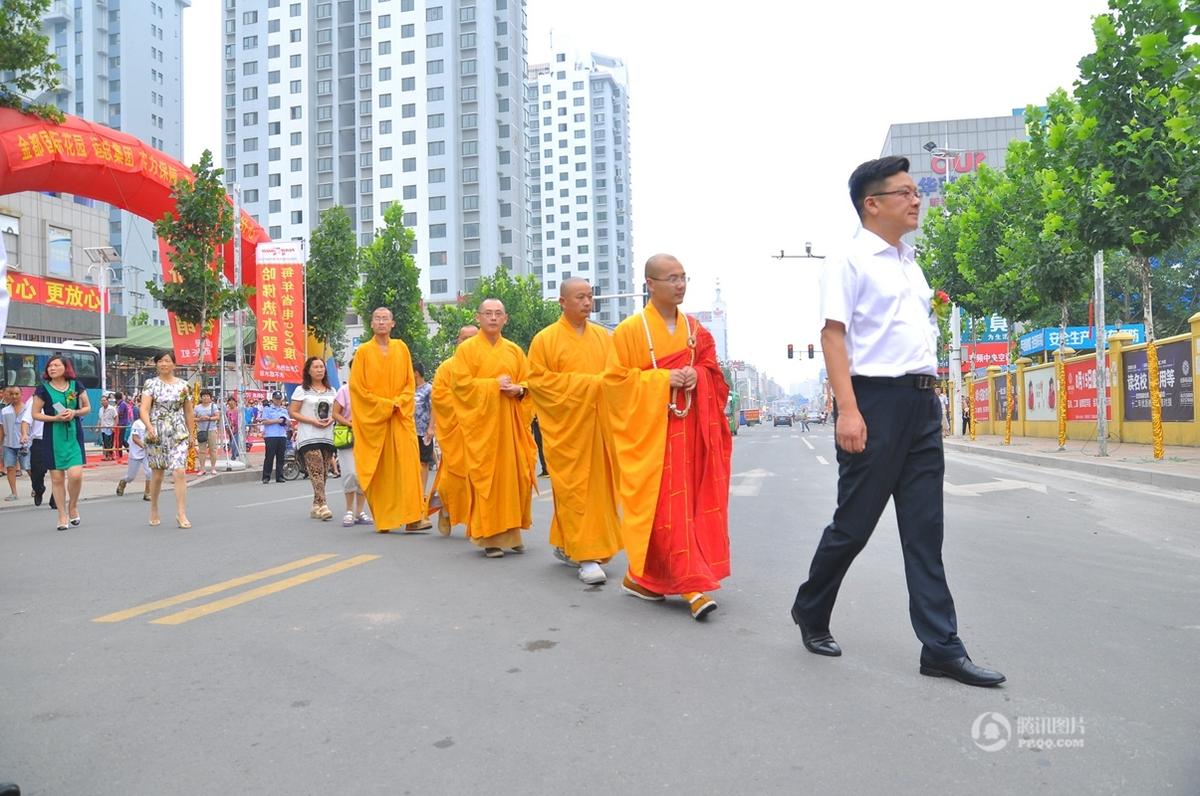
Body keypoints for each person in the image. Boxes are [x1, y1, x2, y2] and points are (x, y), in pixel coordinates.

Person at [789, 156, 1005, 687]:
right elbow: (833, 336)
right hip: (876, 404)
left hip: (921, 404)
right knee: (854, 527)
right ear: (873, 203)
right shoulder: (849, 261)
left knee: (925, 530)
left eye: (916, 191)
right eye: (905, 192)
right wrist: (848, 410)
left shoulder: (910, 261)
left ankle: (941, 648)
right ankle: (811, 609)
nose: (916, 200)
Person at [602, 254, 733, 620]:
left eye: (683, 277)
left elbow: (712, 372)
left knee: (687, 506)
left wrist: (697, 375)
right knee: (664, 506)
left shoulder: (695, 330)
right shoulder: (630, 331)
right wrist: (662, 380)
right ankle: (691, 585)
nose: (680, 285)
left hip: (691, 432)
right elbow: (614, 383)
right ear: (650, 284)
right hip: (653, 437)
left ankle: (641, 578)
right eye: (671, 278)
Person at [528, 278, 622, 585]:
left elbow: (617, 377)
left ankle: (571, 543)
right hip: (567, 432)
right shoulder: (545, 340)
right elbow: (539, 384)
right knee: (575, 491)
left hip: (600, 428)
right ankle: (586, 556)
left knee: (598, 494)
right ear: (562, 302)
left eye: (590, 296)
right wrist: (589, 384)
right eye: (580, 297)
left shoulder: (604, 338)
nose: (587, 302)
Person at [449, 299, 538, 557]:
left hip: (511, 428)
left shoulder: (513, 350)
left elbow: (529, 382)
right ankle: (490, 539)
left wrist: (519, 390)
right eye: (487, 313)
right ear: (478, 318)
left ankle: (512, 532)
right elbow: (461, 387)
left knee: (516, 477)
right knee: (488, 479)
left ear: (505, 319)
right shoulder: (466, 351)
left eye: (498, 313)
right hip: (484, 430)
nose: (493, 318)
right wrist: (493, 385)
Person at [349, 307, 425, 533]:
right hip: (377, 421)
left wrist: (398, 402)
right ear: (371, 324)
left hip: (400, 418)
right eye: (377, 319)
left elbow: (409, 383)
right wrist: (384, 405)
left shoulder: (402, 348)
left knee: (409, 468)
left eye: (385, 319)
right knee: (381, 471)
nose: (381, 322)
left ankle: (414, 518)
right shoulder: (363, 352)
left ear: (393, 324)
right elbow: (357, 389)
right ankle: (385, 519)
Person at [428, 325, 478, 535]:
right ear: (457, 341)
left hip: (481, 429)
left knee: (479, 477)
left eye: (472, 338)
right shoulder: (447, 367)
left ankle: (479, 521)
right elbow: (438, 397)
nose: (467, 342)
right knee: (453, 477)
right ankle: (446, 507)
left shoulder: (483, 364)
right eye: (463, 338)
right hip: (454, 429)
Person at [31, 354, 90, 530]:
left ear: (66, 368)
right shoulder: (42, 389)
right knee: (57, 478)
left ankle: (73, 506)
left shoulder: (76, 385)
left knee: (76, 475)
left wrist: (75, 413)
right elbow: (35, 413)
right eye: (50, 366)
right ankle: (62, 514)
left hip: (73, 436)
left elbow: (87, 408)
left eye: (56, 365)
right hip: (52, 437)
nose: (52, 368)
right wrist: (55, 417)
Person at [140, 351, 196, 528]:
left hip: (178, 431)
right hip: (157, 431)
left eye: (167, 361)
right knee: (157, 474)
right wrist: (149, 427)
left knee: (179, 471)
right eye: (160, 361)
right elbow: (144, 409)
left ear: (174, 364)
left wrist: (192, 434)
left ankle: (181, 513)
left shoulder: (184, 386)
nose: (163, 364)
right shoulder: (151, 384)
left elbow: (188, 411)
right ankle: (154, 507)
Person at [290, 357, 338, 521]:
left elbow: (338, 411)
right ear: (308, 370)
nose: (319, 370)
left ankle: (315, 505)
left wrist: (332, 419)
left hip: (327, 435)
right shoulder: (301, 390)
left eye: (322, 367)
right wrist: (312, 421)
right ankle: (323, 504)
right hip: (309, 435)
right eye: (316, 367)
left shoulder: (332, 390)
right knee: (316, 469)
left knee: (324, 472)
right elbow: (293, 412)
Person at [332, 360, 372, 528]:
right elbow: (335, 413)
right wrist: (350, 424)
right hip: (348, 437)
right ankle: (349, 510)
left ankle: (360, 511)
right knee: (350, 473)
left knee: (363, 475)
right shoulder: (344, 390)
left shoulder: (371, 391)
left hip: (367, 438)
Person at [408, 362, 435, 531]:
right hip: (409, 431)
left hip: (423, 431)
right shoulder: (409, 390)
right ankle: (414, 490)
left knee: (423, 462)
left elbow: (434, 409)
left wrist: (431, 428)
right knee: (412, 463)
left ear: (416, 373)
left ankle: (422, 492)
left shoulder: (428, 389)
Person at [1, 386, 32, 502]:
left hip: (25, 445)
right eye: (12, 394)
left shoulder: (28, 409)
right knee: (10, 468)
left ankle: (36, 487)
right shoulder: (4, 411)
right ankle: (14, 493)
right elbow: (2, 429)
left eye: (17, 394)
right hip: (8, 444)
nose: (14, 396)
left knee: (28, 467)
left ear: (21, 394)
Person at [116, 413, 151, 501]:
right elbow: (135, 438)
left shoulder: (152, 423)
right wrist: (144, 446)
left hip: (147, 453)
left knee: (149, 472)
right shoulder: (137, 423)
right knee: (131, 476)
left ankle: (147, 493)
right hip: (136, 452)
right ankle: (123, 481)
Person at [260, 391, 289, 483]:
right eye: (276, 399)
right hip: (271, 436)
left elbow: (288, 423)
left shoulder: (284, 410)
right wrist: (277, 421)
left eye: (279, 399)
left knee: (281, 457)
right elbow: (264, 421)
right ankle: (266, 477)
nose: (278, 401)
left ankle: (279, 476)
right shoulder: (267, 409)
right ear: (272, 399)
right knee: (269, 456)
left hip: (282, 435)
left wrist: (287, 422)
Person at [194, 389, 221, 474]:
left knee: (213, 449)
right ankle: (202, 469)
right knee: (202, 451)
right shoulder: (197, 407)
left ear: (210, 398)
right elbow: (192, 418)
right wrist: (199, 419)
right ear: (201, 397)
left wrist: (208, 418)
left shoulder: (213, 406)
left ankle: (213, 468)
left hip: (212, 430)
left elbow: (217, 417)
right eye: (204, 396)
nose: (206, 398)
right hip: (201, 431)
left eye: (207, 396)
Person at [98, 394, 117, 461]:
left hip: (110, 428)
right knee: (105, 443)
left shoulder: (112, 409)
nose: (103, 402)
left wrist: (114, 427)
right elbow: (100, 419)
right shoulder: (100, 409)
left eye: (104, 400)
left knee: (109, 443)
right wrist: (98, 427)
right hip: (103, 429)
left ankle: (110, 455)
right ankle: (106, 456)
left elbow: (116, 418)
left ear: (107, 401)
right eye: (102, 400)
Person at [115, 391, 131, 459]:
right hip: (120, 423)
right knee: (121, 439)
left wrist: (115, 413)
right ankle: (129, 449)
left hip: (122, 424)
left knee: (120, 439)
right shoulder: (119, 404)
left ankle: (120, 454)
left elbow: (120, 413)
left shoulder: (122, 404)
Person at [225, 396, 241, 460]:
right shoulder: (228, 411)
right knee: (232, 442)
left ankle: (234, 456)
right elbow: (227, 419)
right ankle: (234, 454)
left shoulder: (238, 410)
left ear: (235, 402)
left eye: (232, 401)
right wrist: (227, 427)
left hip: (237, 429)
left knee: (234, 443)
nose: (231, 402)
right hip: (230, 429)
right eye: (229, 401)